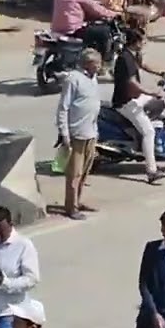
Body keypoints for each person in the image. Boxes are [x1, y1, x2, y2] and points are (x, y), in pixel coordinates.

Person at [113, 28, 165, 185]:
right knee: (148, 131)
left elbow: (143, 65)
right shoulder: (125, 58)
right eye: (143, 41)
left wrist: (162, 74)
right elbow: (132, 84)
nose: (144, 43)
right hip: (126, 102)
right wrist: (152, 92)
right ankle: (151, 171)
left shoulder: (132, 55)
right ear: (136, 42)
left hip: (135, 98)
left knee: (161, 104)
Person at [56, 48, 102, 218]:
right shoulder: (73, 79)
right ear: (88, 64)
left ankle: (78, 200)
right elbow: (63, 108)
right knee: (74, 173)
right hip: (77, 133)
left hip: (91, 132)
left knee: (85, 171)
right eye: (96, 63)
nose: (99, 66)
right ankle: (71, 207)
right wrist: (64, 133)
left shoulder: (93, 79)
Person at [50, 0, 117, 64]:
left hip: (56, 28)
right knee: (104, 31)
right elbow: (94, 8)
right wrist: (112, 14)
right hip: (73, 30)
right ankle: (102, 62)